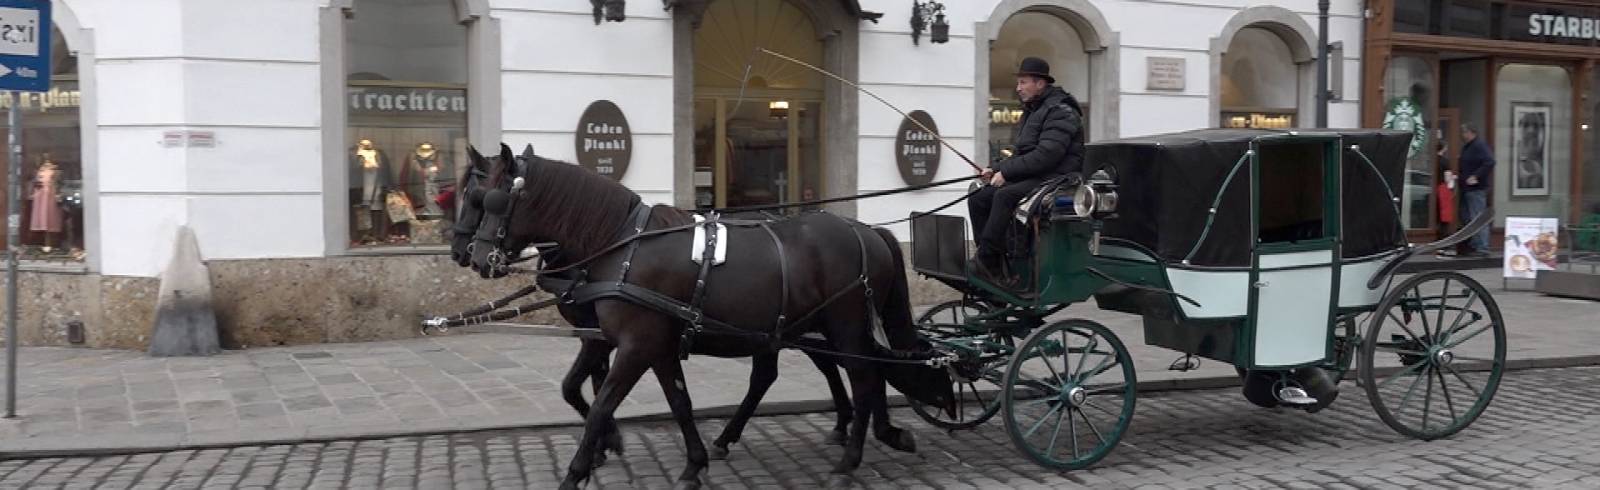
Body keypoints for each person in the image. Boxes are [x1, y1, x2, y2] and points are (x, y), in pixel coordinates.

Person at [967, 56, 1086, 283]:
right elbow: (1023, 154)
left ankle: (988, 261)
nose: (1018, 88)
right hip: (1037, 175)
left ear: (1040, 83)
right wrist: (994, 169)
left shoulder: (1061, 110)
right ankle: (995, 261)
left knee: (1004, 195)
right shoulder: (1034, 110)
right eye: (1018, 83)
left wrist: (1007, 173)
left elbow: (1047, 156)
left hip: (1058, 178)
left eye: (1023, 83)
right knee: (979, 197)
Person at [1458, 123, 1494, 257]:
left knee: (1477, 217)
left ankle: (1482, 247)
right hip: (1466, 188)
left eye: (1464, 132)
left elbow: (1490, 161)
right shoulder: (1468, 147)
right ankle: (1474, 244)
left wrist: (1476, 176)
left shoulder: (1479, 146)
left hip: (1476, 188)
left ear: (1472, 133)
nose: (1463, 135)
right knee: (1468, 218)